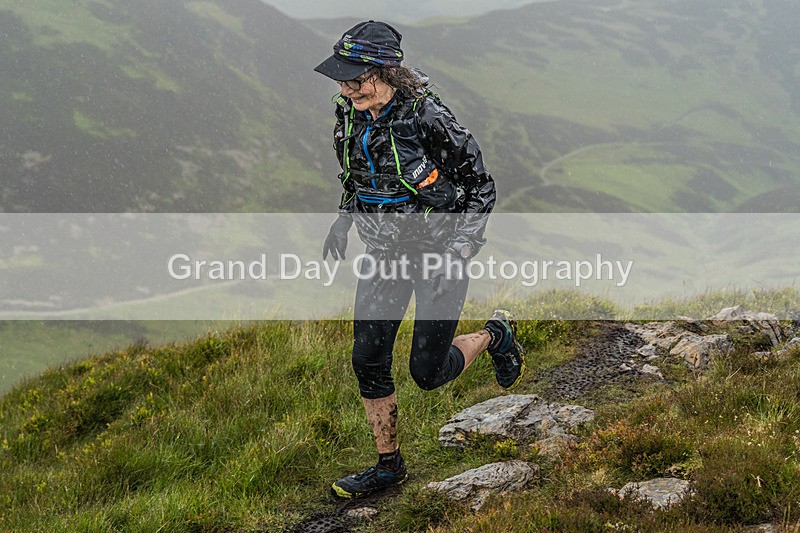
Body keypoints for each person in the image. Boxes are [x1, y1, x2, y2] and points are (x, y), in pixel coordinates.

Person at [314, 20, 525, 499]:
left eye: (357, 78)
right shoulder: (349, 115)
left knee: (428, 374)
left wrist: (460, 250)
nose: (347, 89)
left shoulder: (427, 116)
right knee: (367, 359)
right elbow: (358, 176)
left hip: (438, 255)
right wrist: (343, 221)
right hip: (383, 254)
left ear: (387, 70)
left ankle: (496, 334)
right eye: (341, 80)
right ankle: (389, 466)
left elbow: (480, 186)